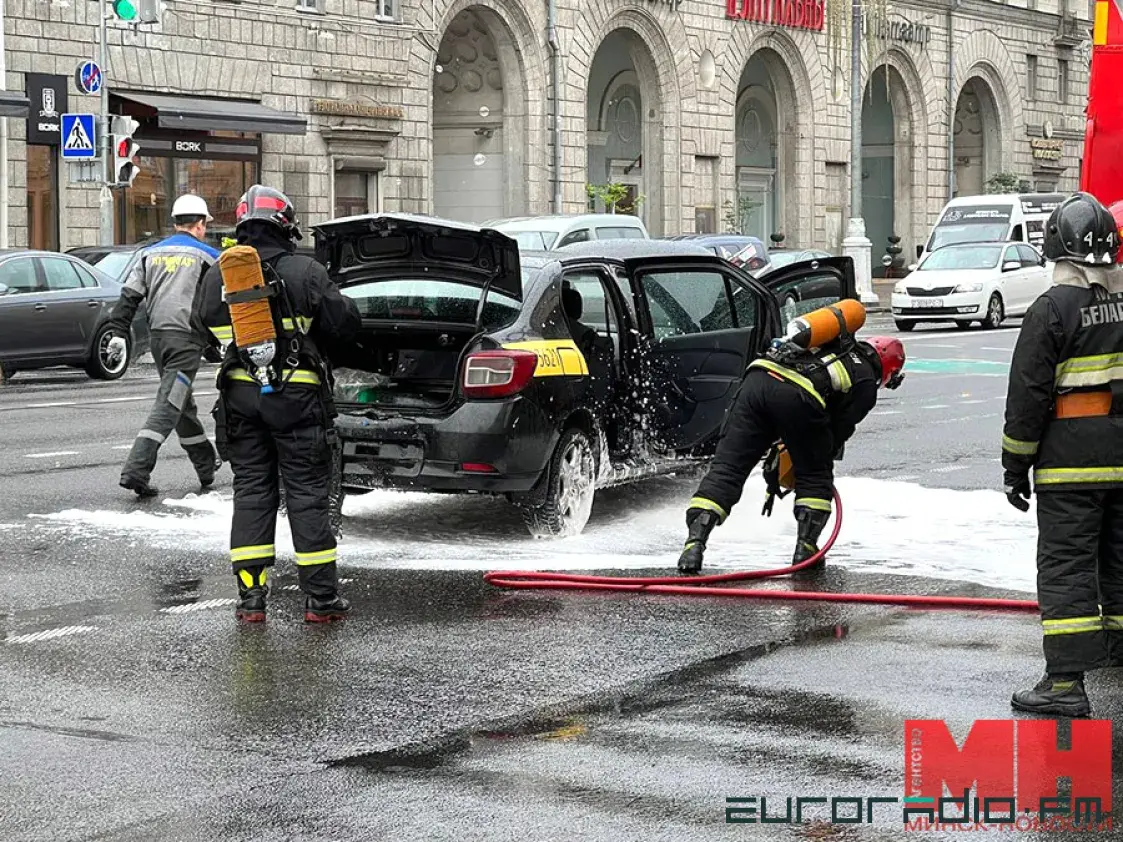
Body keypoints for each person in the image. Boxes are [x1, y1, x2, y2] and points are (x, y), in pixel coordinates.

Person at [192, 185, 361, 624]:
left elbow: (202, 325)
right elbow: (342, 324)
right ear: (286, 225)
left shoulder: (219, 274)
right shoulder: (306, 270)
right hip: (297, 400)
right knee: (306, 493)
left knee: (251, 492)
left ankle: (251, 599)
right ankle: (321, 599)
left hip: (240, 401)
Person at [1003, 191, 1123, 717]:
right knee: (1119, 563)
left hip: (1070, 467)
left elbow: (1028, 396)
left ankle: (1065, 685)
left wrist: (1014, 466)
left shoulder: (1051, 309)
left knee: (1067, 567)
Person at [677, 304, 905, 575]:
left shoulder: (831, 342)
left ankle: (693, 545)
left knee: (727, 470)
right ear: (888, 369)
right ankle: (805, 550)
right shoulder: (866, 380)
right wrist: (802, 453)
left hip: (756, 380)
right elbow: (834, 434)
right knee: (815, 474)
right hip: (796, 395)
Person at [108, 194, 222, 498]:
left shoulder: (150, 254)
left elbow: (129, 296)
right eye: (204, 224)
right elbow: (214, 305)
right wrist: (216, 341)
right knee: (170, 405)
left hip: (159, 340)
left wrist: (118, 329)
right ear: (200, 224)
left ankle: (206, 466)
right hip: (185, 341)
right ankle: (136, 470)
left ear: (174, 223)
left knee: (181, 404)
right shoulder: (210, 256)